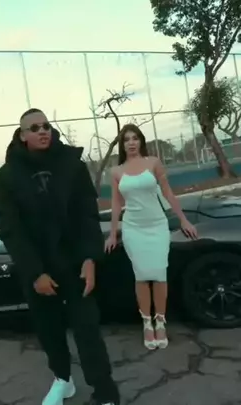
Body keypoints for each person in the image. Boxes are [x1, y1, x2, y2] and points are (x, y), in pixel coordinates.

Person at [0, 108, 121, 405]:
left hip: (75, 264)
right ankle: (63, 379)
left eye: (46, 126)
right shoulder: (7, 176)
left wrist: (90, 259)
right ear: (22, 136)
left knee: (87, 330)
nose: (42, 131)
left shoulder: (71, 165)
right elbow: (11, 231)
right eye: (35, 128)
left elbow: (87, 215)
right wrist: (35, 273)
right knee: (49, 331)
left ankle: (105, 392)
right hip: (39, 269)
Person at [104, 124, 197, 350]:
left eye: (135, 138)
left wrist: (183, 220)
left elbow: (167, 192)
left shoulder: (153, 162)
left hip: (156, 225)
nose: (131, 143)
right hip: (133, 228)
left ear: (141, 141)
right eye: (127, 139)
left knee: (159, 274)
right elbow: (116, 203)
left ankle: (161, 322)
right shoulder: (116, 172)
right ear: (122, 144)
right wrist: (113, 233)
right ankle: (147, 324)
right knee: (142, 276)